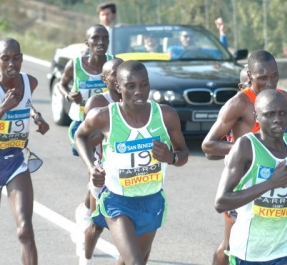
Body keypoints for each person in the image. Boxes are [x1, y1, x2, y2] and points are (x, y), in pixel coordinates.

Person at [202, 50, 287, 265]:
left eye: (274, 76)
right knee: (229, 247)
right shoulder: (239, 103)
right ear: (249, 75)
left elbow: (283, 139)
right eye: (263, 77)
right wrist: (251, 151)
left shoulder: (283, 98)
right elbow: (208, 146)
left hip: (276, 183)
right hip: (243, 181)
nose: (270, 82)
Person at [74, 60, 190, 265]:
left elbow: (183, 154)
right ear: (118, 87)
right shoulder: (104, 116)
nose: (139, 91)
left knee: (134, 261)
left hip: (151, 200)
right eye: (131, 86)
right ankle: (86, 255)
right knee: (135, 261)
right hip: (117, 201)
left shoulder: (166, 115)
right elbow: (80, 136)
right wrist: (91, 167)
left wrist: (171, 157)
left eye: (144, 84)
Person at [57, 24, 113, 256]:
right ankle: (86, 217)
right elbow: (62, 83)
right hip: (82, 128)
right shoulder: (76, 64)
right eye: (95, 38)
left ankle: (84, 211)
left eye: (104, 38)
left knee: (97, 174)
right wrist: (69, 95)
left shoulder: (113, 64)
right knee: (94, 172)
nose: (100, 42)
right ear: (87, 42)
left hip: (109, 127)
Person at [0, 37, 50, 265]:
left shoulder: (30, 82)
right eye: (5, 58)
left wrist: (37, 118)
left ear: (22, 58)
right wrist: (3, 108)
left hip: (15, 160)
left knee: (25, 230)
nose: (12, 63)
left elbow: (28, 105)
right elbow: (10, 108)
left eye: (16, 57)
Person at [78, 58, 123, 265]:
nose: (120, 75)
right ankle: (86, 257)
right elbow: (86, 137)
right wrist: (112, 128)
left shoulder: (136, 99)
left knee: (130, 229)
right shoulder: (97, 103)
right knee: (97, 225)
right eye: (114, 72)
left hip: (132, 175)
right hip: (104, 173)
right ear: (105, 79)